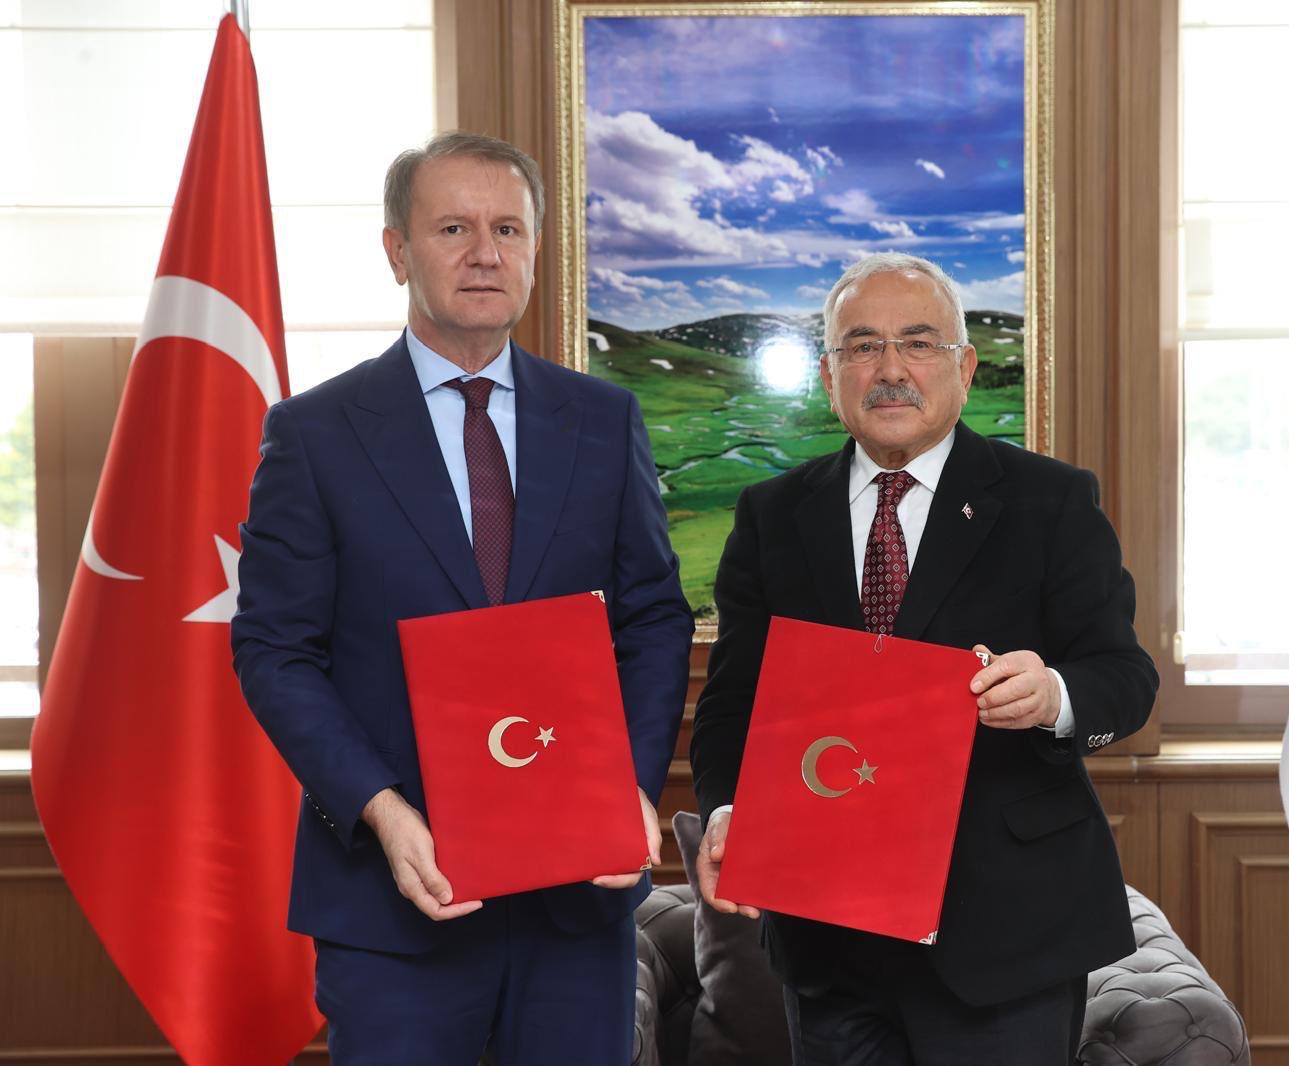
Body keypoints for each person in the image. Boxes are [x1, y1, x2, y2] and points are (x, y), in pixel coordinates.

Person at [231, 132, 692, 1065]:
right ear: (397, 250)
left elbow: (652, 616)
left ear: (534, 250)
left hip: (576, 905)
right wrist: (381, 809)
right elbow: (274, 651)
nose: (485, 253)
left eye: (507, 229)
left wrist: (634, 789)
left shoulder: (604, 420)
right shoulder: (314, 434)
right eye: (453, 228)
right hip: (394, 898)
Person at [689, 252, 1158, 1065]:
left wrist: (1053, 694)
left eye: (918, 342)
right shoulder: (772, 514)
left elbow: (1125, 678)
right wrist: (730, 808)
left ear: (964, 367)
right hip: (827, 936)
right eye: (862, 346)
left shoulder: (1050, 500)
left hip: (1005, 933)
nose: (891, 370)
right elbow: (733, 703)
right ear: (829, 376)